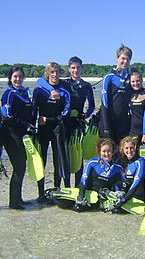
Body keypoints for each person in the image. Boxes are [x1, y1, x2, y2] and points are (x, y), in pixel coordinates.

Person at [37, 56, 95, 186]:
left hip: (77, 125)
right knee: (64, 157)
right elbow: (40, 81)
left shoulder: (86, 86)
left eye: (78, 68)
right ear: (69, 69)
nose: (76, 70)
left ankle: (78, 186)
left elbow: (91, 105)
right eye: (73, 68)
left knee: (78, 156)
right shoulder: (64, 83)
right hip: (63, 124)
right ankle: (67, 185)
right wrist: (52, 90)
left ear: (82, 68)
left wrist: (86, 115)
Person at [33, 62, 71, 202]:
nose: (55, 75)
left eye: (57, 72)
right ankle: (41, 193)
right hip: (42, 130)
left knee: (58, 162)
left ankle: (57, 190)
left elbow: (65, 113)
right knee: (41, 161)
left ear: (60, 74)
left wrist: (47, 119)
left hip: (57, 129)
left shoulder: (64, 92)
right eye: (52, 72)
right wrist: (35, 123)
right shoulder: (39, 91)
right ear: (48, 74)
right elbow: (34, 111)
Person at [1, 66, 35, 209]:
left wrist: (31, 127)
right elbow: (6, 116)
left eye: (20, 76)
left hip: (22, 135)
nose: (18, 79)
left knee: (21, 167)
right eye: (15, 76)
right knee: (19, 166)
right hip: (10, 135)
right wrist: (24, 124)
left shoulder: (25, 92)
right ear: (10, 78)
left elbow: (31, 112)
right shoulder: (8, 94)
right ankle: (13, 203)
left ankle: (18, 199)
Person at [74, 138, 124, 211]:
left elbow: (120, 185)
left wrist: (119, 194)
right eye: (104, 151)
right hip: (91, 194)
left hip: (105, 196)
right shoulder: (92, 163)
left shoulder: (118, 168)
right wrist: (81, 196)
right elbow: (83, 181)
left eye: (109, 151)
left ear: (113, 152)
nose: (106, 154)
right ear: (99, 152)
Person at [99, 45, 132, 144]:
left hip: (124, 123)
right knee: (108, 155)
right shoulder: (108, 77)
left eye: (128, 59)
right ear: (117, 58)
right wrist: (106, 126)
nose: (125, 61)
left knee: (123, 155)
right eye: (123, 58)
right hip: (109, 122)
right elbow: (104, 102)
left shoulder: (130, 78)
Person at [118, 136, 145, 204]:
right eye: (126, 148)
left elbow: (136, 183)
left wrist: (124, 199)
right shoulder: (123, 161)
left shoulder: (140, 162)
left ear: (135, 148)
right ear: (122, 149)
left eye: (131, 148)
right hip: (130, 195)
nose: (129, 151)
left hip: (140, 196)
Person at [128, 71, 145, 144]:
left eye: (138, 81)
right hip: (133, 131)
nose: (135, 83)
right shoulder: (128, 94)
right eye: (133, 81)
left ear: (142, 80)